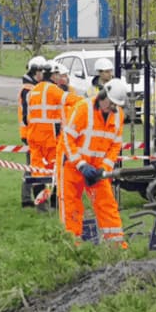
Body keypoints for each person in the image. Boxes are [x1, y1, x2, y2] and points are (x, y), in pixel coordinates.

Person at [59, 78, 129, 247]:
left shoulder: (118, 115)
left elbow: (115, 145)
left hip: (97, 170)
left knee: (107, 205)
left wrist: (103, 169)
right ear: (102, 95)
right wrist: (81, 165)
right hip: (73, 167)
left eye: (115, 106)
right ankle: (73, 247)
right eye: (111, 104)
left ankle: (117, 246)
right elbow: (67, 140)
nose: (112, 108)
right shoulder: (83, 108)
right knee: (72, 207)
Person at [26, 62, 68, 178]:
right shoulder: (54, 90)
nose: (59, 77)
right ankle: (54, 195)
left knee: (37, 169)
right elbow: (71, 100)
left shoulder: (33, 91)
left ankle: (39, 194)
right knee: (54, 169)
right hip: (50, 135)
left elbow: (28, 116)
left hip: (34, 135)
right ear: (52, 75)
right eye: (57, 74)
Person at [18, 55, 47, 146]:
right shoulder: (28, 90)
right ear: (36, 72)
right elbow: (27, 116)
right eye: (43, 72)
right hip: (30, 133)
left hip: (33, 132)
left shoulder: (34, 87)